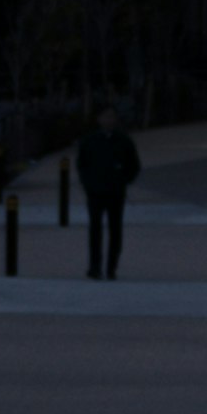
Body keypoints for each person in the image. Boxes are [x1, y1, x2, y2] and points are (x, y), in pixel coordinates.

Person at [74, 104, 140, 281]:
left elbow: (134, 166)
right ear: (99, 119)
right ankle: (94, 267)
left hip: (116, 192)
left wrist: (122, 181)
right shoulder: (89, 141)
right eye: (105, 116)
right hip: (95, 192)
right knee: (95, 230)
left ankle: (111, 267)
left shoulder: (124, 141)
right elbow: (82, 165)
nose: (108, 120)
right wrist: (88, 183)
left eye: (111, 116)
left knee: (115, 230)